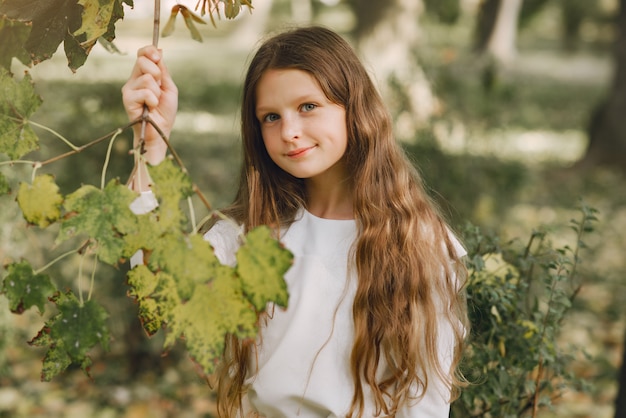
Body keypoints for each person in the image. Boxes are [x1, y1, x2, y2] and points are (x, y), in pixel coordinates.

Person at [122, 26, 468, 418]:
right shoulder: (248, 235)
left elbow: (425, 401)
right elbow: (156, 290)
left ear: (354, 108)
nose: (289, 132)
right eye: (271, 117)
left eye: (308, 107)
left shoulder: (416, 243)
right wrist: (151, 144)